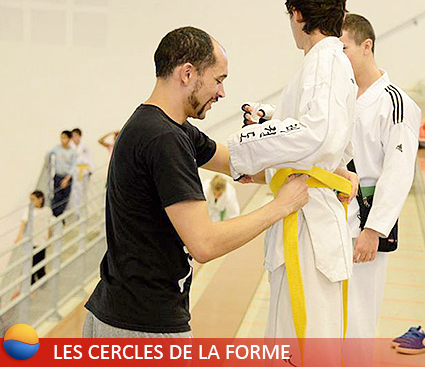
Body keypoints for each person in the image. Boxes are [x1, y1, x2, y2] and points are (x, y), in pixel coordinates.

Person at [82, 26, 309, 338]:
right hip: (142, 329)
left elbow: (236, 163)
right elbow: (205, 243)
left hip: (119, 314)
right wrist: (281, 206)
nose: (222, 93)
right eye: (219, 80)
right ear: (187, 73)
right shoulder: (164, 139)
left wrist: (309, 162)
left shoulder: (164, 126)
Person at [229, 0, 358, 340]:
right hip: (307, 209)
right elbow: (320, 131)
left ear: (297, 14)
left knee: (302, 339)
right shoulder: (327, 62)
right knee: (298, 335)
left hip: (307, 214)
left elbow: (317, 136)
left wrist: (247, 148)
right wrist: (270, 120)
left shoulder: (324, 61)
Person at [339, 14, 421, 342]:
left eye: (343, 48)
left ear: (366, 46)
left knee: (359, 313)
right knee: (329, 313)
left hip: (366, 216)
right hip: (331, 210)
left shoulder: (396, 102)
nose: (338, 57)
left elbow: (399, 171)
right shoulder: (339, 94)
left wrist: (374, 230)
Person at [15, 191, 54, 284]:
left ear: (40, 200)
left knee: (40, 262)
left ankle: (41, 281)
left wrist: (49, 239)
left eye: (33, 199)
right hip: (32, 241)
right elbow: (23, 223)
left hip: (42, 241)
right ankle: (31, 283)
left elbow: (49, 225)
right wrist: (19, 236)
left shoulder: (47, 210)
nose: (31, 202)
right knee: (31, 263)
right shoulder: (29, 211)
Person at [48, 130, 76, 217]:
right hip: (58, 177)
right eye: (61, 137)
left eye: (64, 138)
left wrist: (67, 179)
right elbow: (48, 155)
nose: (62, 140)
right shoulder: (56, 148)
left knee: (64, 200)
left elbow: (73, 167)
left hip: (67, 178)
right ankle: (55, 216)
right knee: (56, 198)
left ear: (69, 139)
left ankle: (60, 217)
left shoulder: (72, 152)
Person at [70, 128, 93, 209]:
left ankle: (84, 211)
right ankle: (77, 213)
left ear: (80, 136)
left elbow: (89, 158)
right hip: (75, 172)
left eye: (76, 136)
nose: (74, 138)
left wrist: (90, 170)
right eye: (73, 136)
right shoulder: (70, 147)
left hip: (84, 171)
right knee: (75, 193)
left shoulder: (85, 147)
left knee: (84, 193)